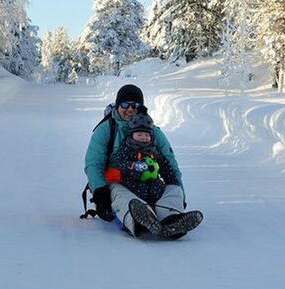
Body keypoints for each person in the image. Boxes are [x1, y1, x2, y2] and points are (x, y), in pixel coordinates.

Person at [84, 84, 202, 239]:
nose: (130, 109)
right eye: (125, 104)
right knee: (123, 197)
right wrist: (100, 194)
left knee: (174, 189)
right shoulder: (106, 130)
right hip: (119, 184)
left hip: (150, 186)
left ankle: (172, 220)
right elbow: (94, 164)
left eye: (136, 105)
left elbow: (170, 163)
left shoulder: (153, 131)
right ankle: (138, 222)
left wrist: (180, 192)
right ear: (118, 105)